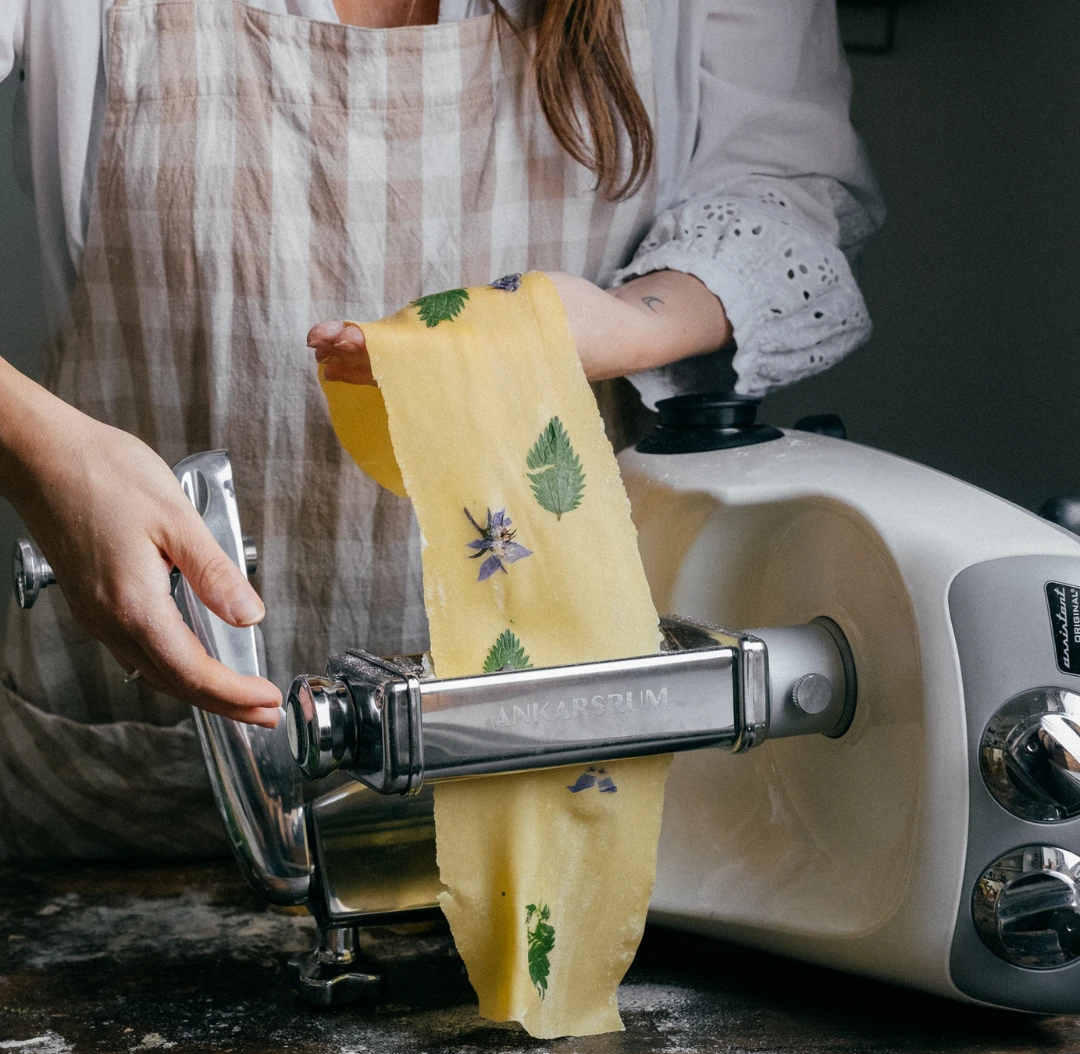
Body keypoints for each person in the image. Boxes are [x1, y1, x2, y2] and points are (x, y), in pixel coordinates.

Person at [0, 0, 883, 858]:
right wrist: (43, 455)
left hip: (567, 756)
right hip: (141, 782)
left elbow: (782, 184)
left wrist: (620, 325)